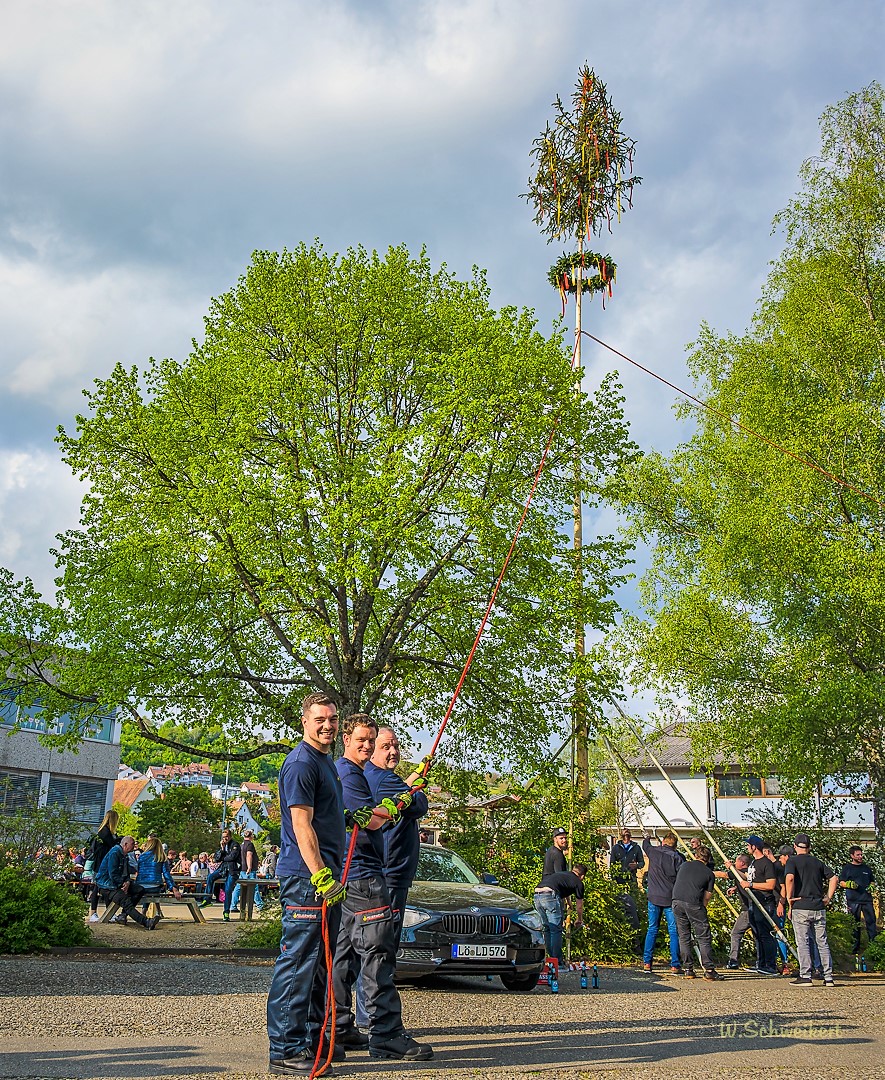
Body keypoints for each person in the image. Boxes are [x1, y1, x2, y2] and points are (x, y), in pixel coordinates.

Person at [332, 713, 432, 1062]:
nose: (371, 746)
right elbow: (395, 810)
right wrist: (402, 798)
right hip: (368, 875)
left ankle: (339, 1024)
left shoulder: (352, 773)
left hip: (355, 875)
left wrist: (410, 784)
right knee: (378, 953)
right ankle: (386, 1034)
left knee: (345, 953)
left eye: (376, 741)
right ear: (347, 739)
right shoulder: (361, 776)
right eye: (367, 741)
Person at [266, 691, 347, 1075]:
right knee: (298, 962)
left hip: (325, 879)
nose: (328, 725)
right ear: (304, 721)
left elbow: (327, 816)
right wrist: (320, 874)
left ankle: (312, 1039)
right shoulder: (301, 763)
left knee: (318, 964)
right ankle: (285, 1049)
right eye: (320, 719)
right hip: (306, 879)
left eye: (332, 719)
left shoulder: (325, 762)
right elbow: (301, 823)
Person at [364, 726, 430, 941]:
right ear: (372, 750)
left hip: (387, 870)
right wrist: (417, 790)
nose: (393, 751)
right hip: (391, 871)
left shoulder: (373, 776)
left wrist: (415, 776)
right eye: (386, 747)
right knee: (385, 941)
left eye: (396, 746)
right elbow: (418, 805)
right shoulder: (383, 780)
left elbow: (402, 791)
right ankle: (382, 975)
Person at [786, 831, 838, 987]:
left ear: (795, 846)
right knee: (822, 942)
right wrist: (828, 897)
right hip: (818, 905)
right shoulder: (817, 862)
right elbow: (834, 878)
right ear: (809, 847)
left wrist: (789, 899)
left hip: (801, 905)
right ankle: (828, 977)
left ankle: (805, 975)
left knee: (803, 942)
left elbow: (789, 878)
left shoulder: (792, 861)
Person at [671, 843, 723, 980]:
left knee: (684, 936)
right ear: (708, 859)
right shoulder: (709, 873)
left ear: (695, 856)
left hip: (676, 901)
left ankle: (688, 969)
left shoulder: (684, 865)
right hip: (694, 903)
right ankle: (709, 970)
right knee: (703, 936)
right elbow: (707, 897)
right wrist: (702, 909)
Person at [641, 831, 684, 974]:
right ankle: (675, 964)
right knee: (673, 931)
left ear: (663, 842)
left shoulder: (654, 852)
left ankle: (647, 963)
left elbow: (645, 845)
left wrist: (647, 836)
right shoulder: (677, 858)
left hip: (653, 896)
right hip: (670, 898)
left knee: (652, 929)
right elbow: (681, 877)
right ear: (675, 845)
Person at [94, 836, 158, 930]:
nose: (134, 846)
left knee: (139, 890)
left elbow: (126, 871)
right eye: (132, 844)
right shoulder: (115, 853)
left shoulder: (124, 855)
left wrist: (127, 882)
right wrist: (122, 885)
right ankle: (146, 922)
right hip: (107, 886)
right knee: (125, 901)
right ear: (125, 844)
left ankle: (123, 915)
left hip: (117, 883)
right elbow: (113, 874)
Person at [738, 835, 780, 976]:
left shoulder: (766, 864)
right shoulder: (753, 864)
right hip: (754, 903)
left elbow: (770, 884)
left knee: (765, 934)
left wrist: (751, 885)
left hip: (765, 903)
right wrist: (733, 869)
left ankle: (770, 965)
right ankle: (761, 963)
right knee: (757, 934)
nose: (747, 848)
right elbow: (748, 878)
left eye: (748, 845)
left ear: (754, 847)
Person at [533, 864, 587, 962]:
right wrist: (579, 919)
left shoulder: (563, 875)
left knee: (547, 928)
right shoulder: (578, 883)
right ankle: (557, 961)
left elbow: (561, 889)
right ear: (582, 876)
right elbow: (579, 906)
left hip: (537, 894)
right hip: (550, 895)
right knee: (556, 930)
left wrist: (569, 903)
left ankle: (548, 960)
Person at [839, 845, 879, 954]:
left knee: (871, 923)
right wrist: (848, 884)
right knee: (855, 925)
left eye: (861, 854)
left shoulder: (866, 868)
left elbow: (872, 880)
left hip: (867, 900)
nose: (860, 856)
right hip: (853, 900)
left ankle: (873, 947)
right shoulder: (847, 868)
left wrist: (872, 886)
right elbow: (841, 882)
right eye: (858, 855)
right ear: (852, 856)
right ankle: (854, 949)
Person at [200, 828, 242, 921]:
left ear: (230, 836)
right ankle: (207, 899)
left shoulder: (235, 845)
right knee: (210, 877)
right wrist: (222, 849)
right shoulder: (223, 846)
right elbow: (217, 858)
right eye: (223, 837)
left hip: (232, 870)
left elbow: (233, 857)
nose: (225, 839)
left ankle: (226, 912)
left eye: (226, 837)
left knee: (227, 890)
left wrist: (224, 858)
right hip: (223, 868)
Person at [137, 836, 183, 918]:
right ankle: (157, 912)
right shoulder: (161, 857)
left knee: (147, 891)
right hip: (154, 885)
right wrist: (174, 888)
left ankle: (144, 912)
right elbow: (166, 875)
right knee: (154, 891)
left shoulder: (141, 857)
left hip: (140, 886)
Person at [87, 809, 120, 922]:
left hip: (104, 864)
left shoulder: (107, 832)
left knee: (106, 888)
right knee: (97, 887)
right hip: (101, 864)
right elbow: (113, 844)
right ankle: (93, 912)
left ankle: (108, 912)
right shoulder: (105, 833)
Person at [609, 828, 644, 934]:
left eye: (628, 833)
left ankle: (634, 928)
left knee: (633, 902)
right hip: (619, 880)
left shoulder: (636, 847)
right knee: (620, 903)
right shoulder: (616, 848)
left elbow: (642, 863)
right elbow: (612, 864)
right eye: (625, 833)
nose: (626, 835)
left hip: (631, 879)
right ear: (621, 835)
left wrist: (636, 865)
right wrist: (613, 880)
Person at [725, 853, 752, 969]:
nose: (735, 863)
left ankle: (733, 960)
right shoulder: (749, 872)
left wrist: (708, 873)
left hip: (747, 909)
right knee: (759, 935)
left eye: (736, 861)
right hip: (752, 908)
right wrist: (735, 888)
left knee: (736, 933)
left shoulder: (744, 872)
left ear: (742, 863)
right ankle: (763, 962)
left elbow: (724, 875)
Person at [230, 829, 259, 914]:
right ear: (251, 836)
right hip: (248, 870)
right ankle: (260, 904)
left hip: (242, 868)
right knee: (254, 887)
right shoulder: (250, 844)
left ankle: (233, 905)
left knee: (238, 888)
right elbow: (249, 855)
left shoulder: (241, 845)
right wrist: (249, 867)